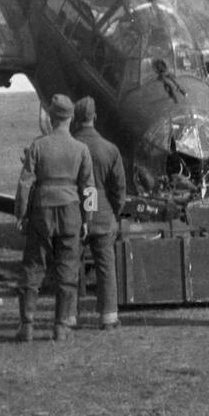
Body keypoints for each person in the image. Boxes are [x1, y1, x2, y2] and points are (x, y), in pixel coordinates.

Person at [15, 95, 93, 342]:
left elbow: (25, 183)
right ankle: (60, 326)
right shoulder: (81, 149)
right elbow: (89, 188)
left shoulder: (38, 146)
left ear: (50, 116)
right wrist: (87, 218)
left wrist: (21, 213)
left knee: (33, 267)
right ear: (70, 118)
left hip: (42, 210)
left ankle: (27, 325)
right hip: (71, 210)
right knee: (67, 270)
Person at [71, 97, 126, 331]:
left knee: (70, 266)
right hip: (104, 216)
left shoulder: (71, 146)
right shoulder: (110, 149)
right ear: (95, 117)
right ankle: (109, 317)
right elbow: (120, 189)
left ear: (76, 118)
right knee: (105, 267)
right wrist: (114, 211)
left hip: (74, 215)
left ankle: (69, 317)